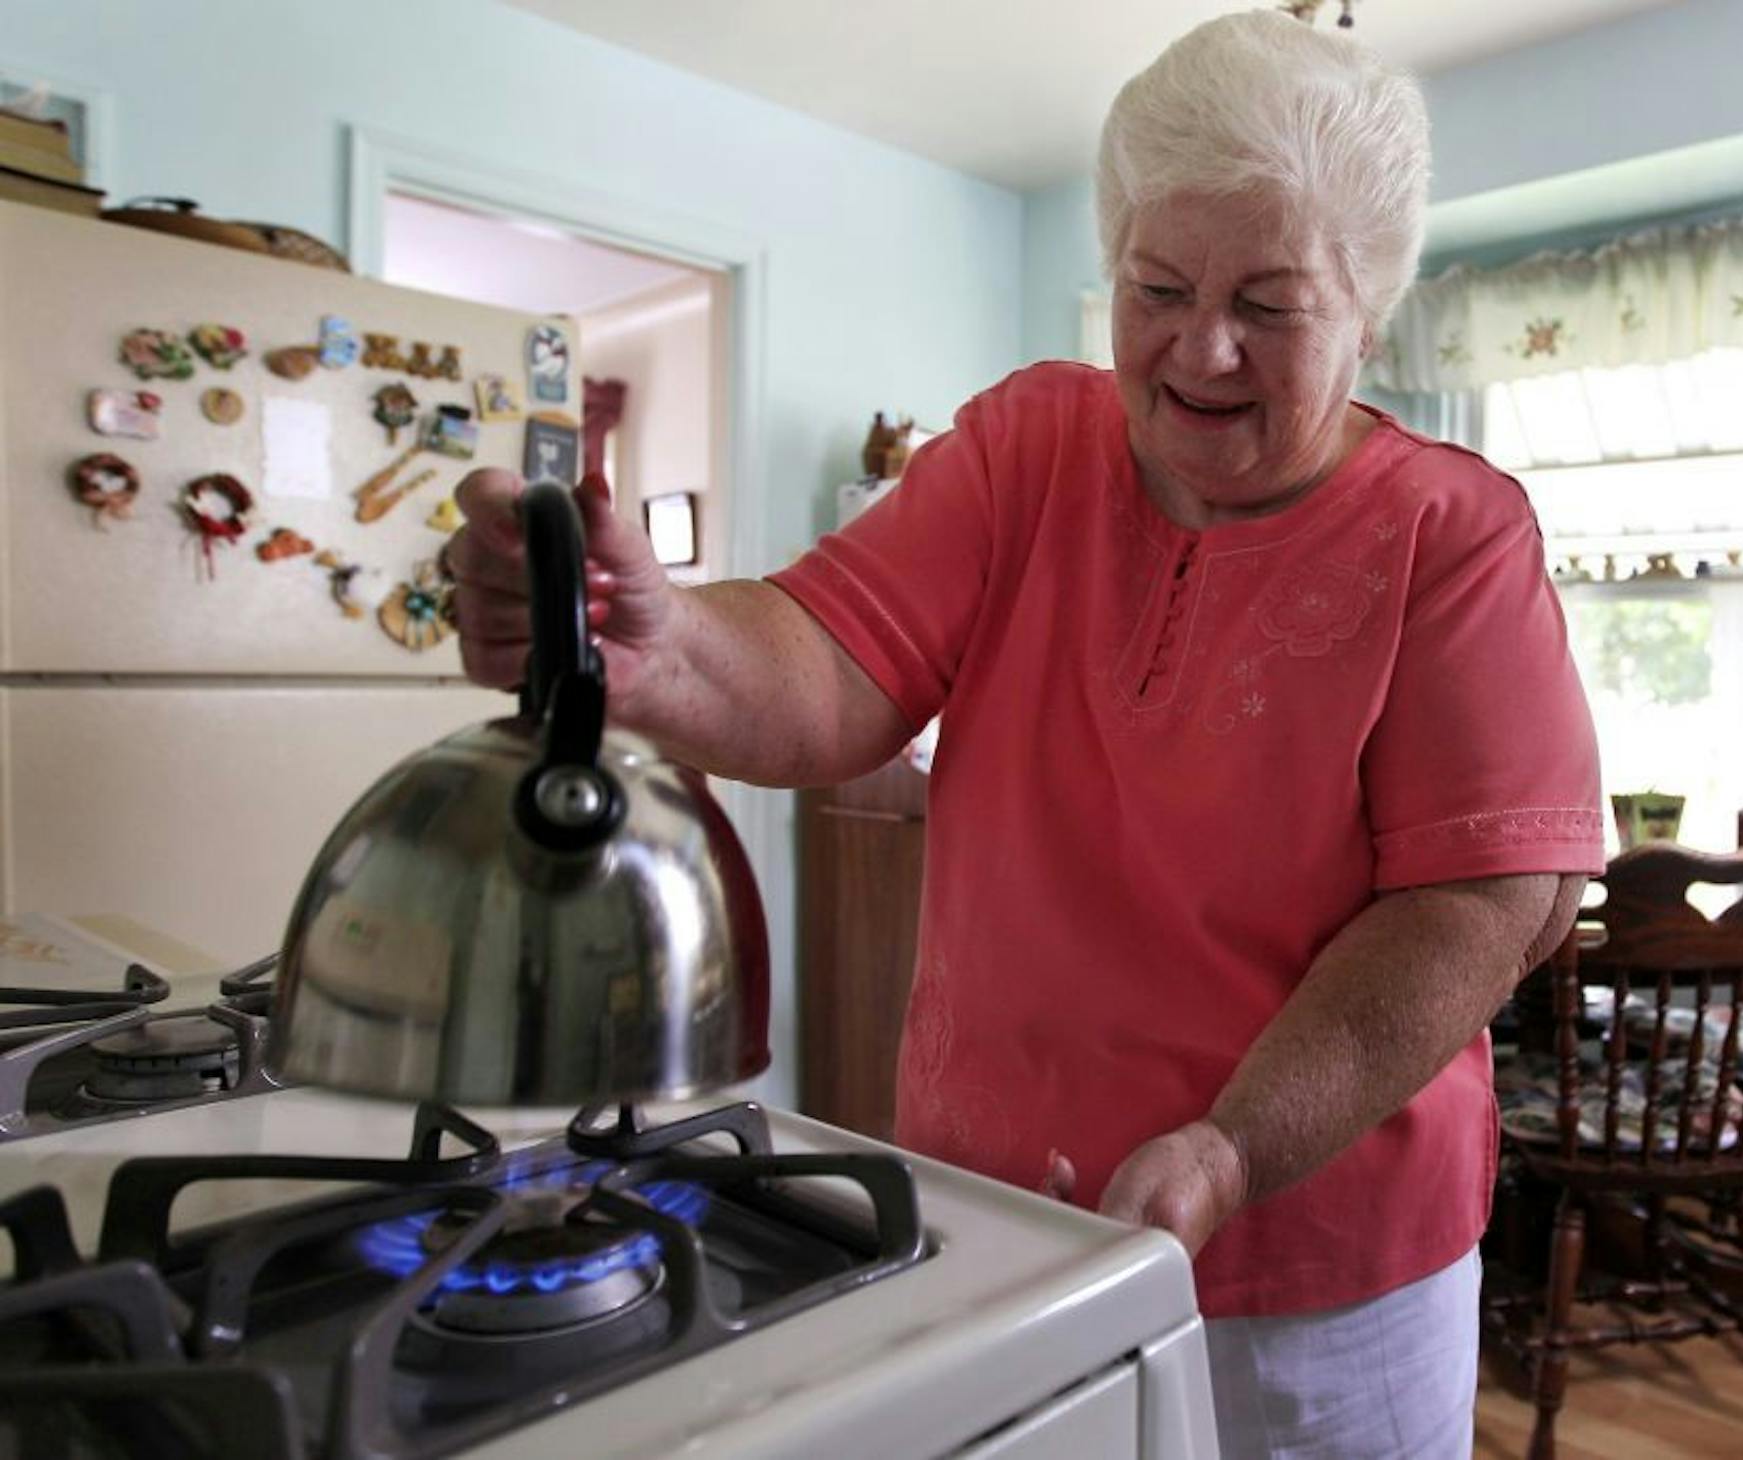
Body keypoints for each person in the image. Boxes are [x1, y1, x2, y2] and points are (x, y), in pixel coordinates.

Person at [447, 11, 1600, 1455]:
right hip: (998, 1213)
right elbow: (827, 665)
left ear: (1370, 304)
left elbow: (1484, 903)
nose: (1203, 347)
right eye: (1157, 286)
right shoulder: (1023, 448)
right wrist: (658, 644)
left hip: (1315, 1268)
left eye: (1270, 301)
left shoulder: (1451, 533)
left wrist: (1231, 1149)